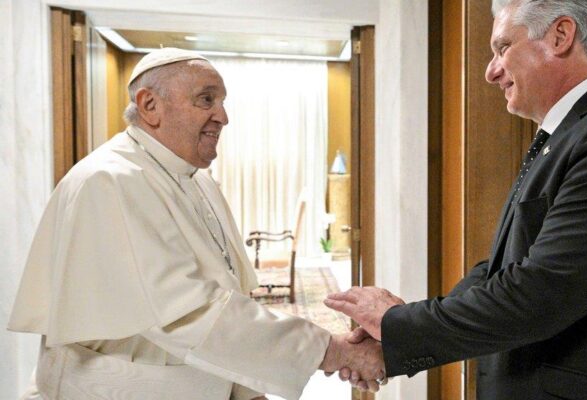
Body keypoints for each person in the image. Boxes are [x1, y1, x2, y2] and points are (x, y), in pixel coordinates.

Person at [326, 1, 587, 398]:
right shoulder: (570, 135)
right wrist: (396, 337)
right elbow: (502, 271)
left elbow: (544, 289)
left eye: (502, 48)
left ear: (560, 36)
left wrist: (400, 326)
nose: (491, 70)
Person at [8, 47, 384, 400]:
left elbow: (226, 298)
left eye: (222, 102)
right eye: (206, 100)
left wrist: (247, 392)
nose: (223, 116)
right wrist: (332, 351)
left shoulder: (197, 178)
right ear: (150, 105)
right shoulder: (110, 181)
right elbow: (186, 313)